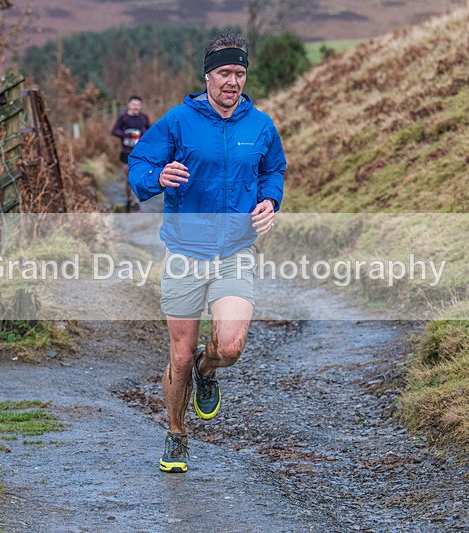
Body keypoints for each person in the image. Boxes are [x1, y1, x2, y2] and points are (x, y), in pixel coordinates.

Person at [128, 32, 286, 473]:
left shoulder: (260, 125)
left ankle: (208, 370)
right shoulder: (179, 121)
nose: (232, 81)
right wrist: (159, 176)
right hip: (184, 253)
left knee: (231, 346)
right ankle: (176, 435)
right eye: (224, 73)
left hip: (235, 250)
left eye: (239, 73)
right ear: (207, 75)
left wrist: (270, 201)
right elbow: (139, 163)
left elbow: (274, 169)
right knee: (179, 354)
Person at [111, 95, 151, 212]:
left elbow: (150, 131)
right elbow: (114, 131)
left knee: (138, 176)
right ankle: (128, 199)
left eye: (138, 105)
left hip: (140, 153)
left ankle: (136, 200)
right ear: (128, 104)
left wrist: (144, 135)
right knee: (128, 178)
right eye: (134, 104)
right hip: (126, 152)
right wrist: (125, 135)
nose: (136, 107)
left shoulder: (144, 118)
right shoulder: (123, 118)